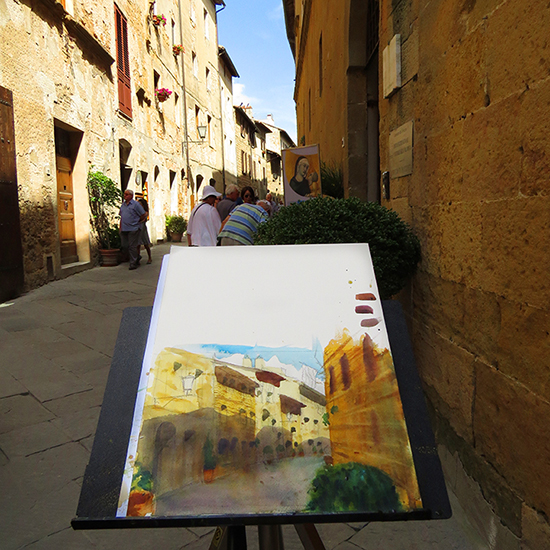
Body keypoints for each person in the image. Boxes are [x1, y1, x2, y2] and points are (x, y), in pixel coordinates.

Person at [119, 189, 147, 270]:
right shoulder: (123, 205)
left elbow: (143, 214)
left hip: (133, 228)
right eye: (124, 194)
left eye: (127, 194)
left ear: (131, 196)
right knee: (125, 246)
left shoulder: (136, 204)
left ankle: (133, 263)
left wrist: (137, 222)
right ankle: (137, 256)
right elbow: (122, 217)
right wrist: (120, 227)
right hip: (124, 229)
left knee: (132, 246)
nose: (125, 196)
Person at [137, 197, 152, 264]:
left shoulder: (145, 212)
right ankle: (137, 258)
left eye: (140, 204)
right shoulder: (137, 211)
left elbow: (144, 219)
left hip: (143, 228)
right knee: (138, 244)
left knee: (146, 243)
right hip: (137, 228)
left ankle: (149, 257)